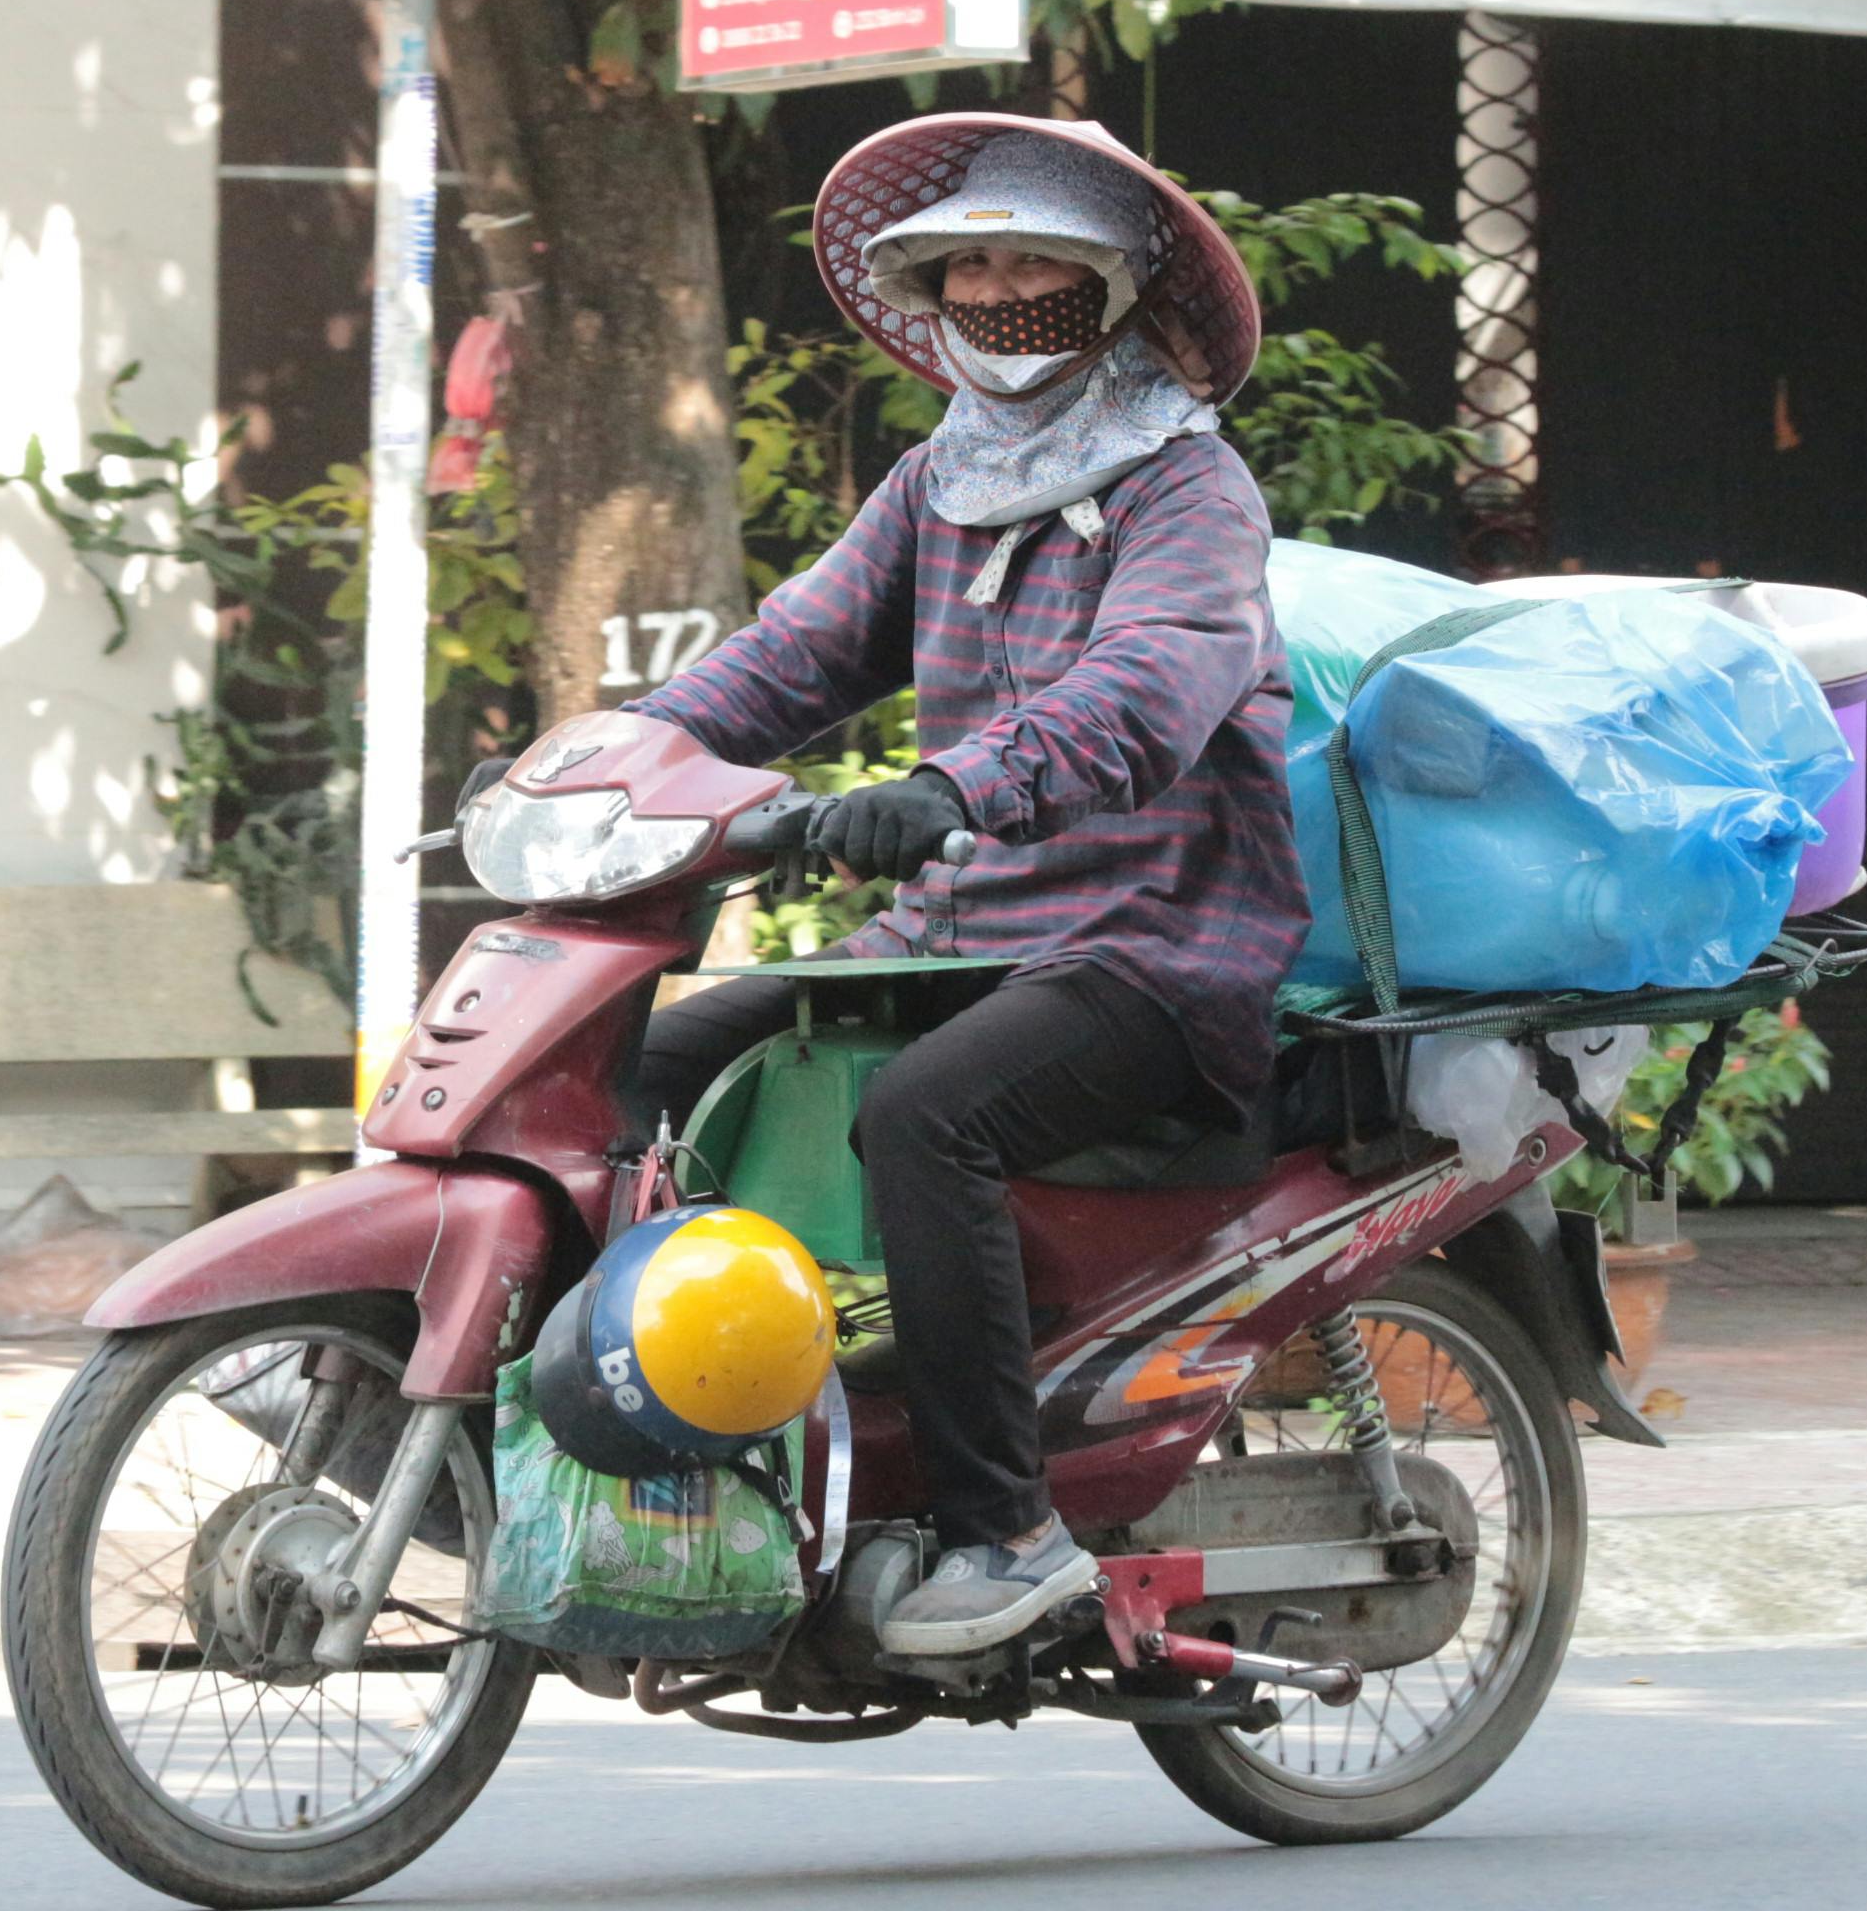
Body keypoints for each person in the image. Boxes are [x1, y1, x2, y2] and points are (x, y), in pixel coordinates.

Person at [488, 116, 1309, 1654]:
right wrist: (604, 762)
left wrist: (954, 787)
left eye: (1036, 263)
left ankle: (1009, 1535)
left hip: (1156, 942)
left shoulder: (1191, 495)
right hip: (958, 930)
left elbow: (1149, 685)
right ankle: (675, 1446)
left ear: (1118, 284)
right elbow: (794, 653)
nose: (997, 291)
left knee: (925, 1114)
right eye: (969, 264)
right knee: (646, 1060)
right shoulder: (943, 479)